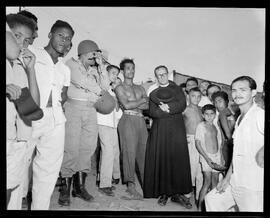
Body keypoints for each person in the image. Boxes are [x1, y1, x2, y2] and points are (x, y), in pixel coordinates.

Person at [29, 20, 74, 210]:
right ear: (50, 34)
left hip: (56, 120)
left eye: (68, 39)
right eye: (60, 35)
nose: (64, 41)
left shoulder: (65, 69)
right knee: (18, 165)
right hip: (29, 116)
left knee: (48, 171)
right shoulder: (32, 54)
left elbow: (63, 96)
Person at [58, 40, 107, 206]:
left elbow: (105, 86)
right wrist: (100, 93)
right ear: (86, 53)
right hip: (74, 108)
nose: (96, 58)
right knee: (71, 148)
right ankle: (65, 189)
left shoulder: (94, 69)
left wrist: (102, 68)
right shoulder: (71, 64)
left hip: (90, 110)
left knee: (87, 148)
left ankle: (79, 188)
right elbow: (84, 82)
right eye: (94, 54)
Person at [205, 76, 264, 212]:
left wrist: (261, 153)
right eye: (234, 90)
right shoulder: (239, 119)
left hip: (252, 186)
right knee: (212, 200)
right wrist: (227, 177)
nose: (237, 94)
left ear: (254, 93)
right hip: (235, 181)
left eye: (243, 90)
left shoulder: (259, 115)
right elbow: (236, 152)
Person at [143, 65, 192, 208]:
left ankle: (177, 193)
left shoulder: (177, 89)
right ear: (156, 77)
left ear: (168, 74)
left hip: (176, 128)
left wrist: (167, 108)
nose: (162, 77)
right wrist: (162, 110)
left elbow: (182, 104)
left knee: (177, 159)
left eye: (164, 74)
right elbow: (152, 111)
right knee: (162, 158)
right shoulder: (152, 91)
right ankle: (164, 193)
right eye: (158, 75)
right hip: (160, 129)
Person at [6, 13, 40, 209]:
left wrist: (31, 70)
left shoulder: (21, 65)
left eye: (27, 40)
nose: (22, 44)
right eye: (17, 36)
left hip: (17, 139)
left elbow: (33, 106)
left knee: (11, 193)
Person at [115, 58, 148, 200]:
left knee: (144, 152)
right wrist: (140, 101)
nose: (131, 71)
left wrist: (134, 103)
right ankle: (131, 186)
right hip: (127, 119)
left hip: (141, 121)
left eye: (133, 68)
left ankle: (147, 184)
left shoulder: (140, 88)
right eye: (128, 68)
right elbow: (126, 106)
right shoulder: (119, 87)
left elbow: (147, 107)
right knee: (129, 152)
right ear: (122, 71)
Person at [97, 65, 122, 197]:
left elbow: (118, 114)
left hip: (113, 126)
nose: (115, 76)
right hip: (102, 123)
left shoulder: (113, 92)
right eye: (113, 73)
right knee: (108, 152)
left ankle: (104, 178)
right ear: (106, 74)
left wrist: (117, 100)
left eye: (116, 74)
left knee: (112, 152)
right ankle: (104, 184)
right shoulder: (102, 87)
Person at [195, 104, 224, 211]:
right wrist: (207, 159)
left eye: (212, 114)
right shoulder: (201, 126)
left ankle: (211, 208)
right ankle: (199, 208)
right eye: (206, 114)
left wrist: (221, 158)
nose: (209, 116)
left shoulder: (216, 126)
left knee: (215, 183)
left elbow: (220, 143)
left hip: (216, 157)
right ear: (203, 115)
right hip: (207, 157)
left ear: (215, 115)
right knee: (207, 182)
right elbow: (198, 144)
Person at [182, 87, 203, 201]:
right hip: (190, 139)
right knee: (191, 167)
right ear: (188, 96)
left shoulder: (201, 109)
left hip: (201, 141)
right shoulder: (185, 109)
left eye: (199, 96)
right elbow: (178, 125)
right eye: (193, 96)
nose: (196, 98)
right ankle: (187, 193)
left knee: (200, 168)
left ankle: (199, 195)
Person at [212, 91, 236, 168]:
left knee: (227, 169)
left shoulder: (223, 112)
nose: (217, 104)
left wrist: (228, 138)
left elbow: (228, 134)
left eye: (220, 101)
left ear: (226, 101)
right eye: (215, 102)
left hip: (227, 145)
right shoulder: (230, 112)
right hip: (227, 145)